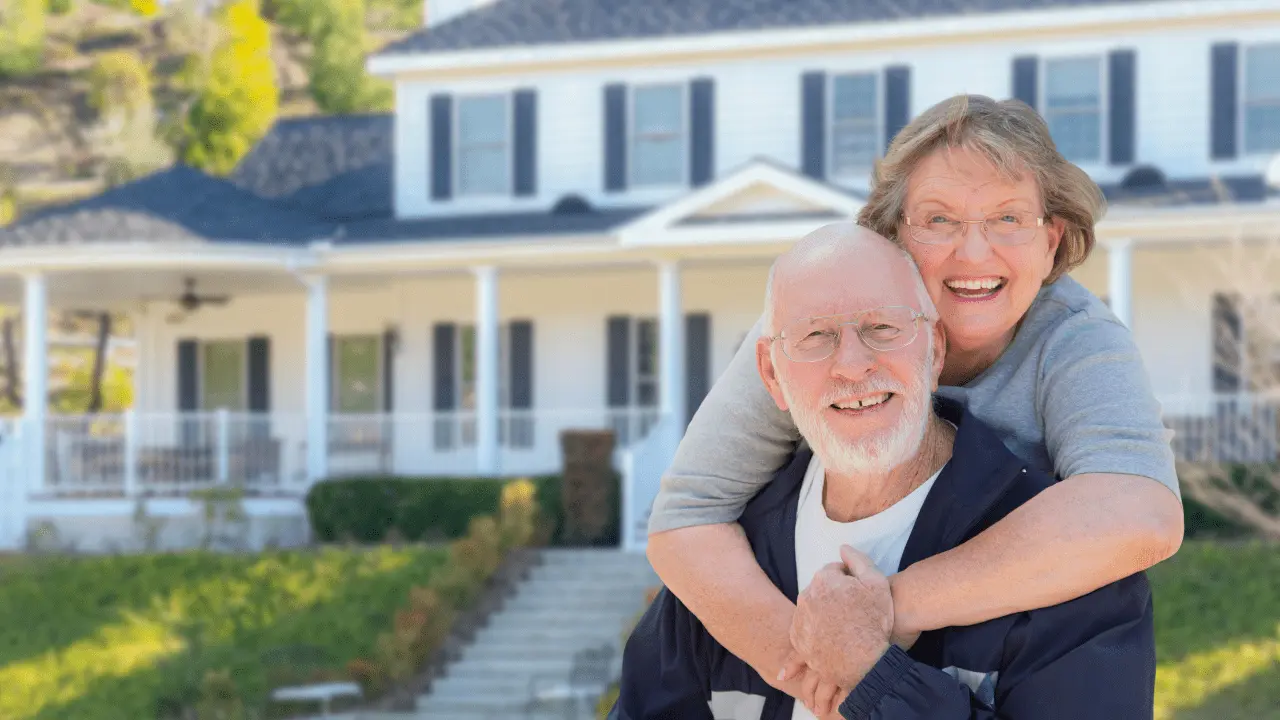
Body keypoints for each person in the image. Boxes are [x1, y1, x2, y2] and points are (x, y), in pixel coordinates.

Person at [644, 94, 1182, 715]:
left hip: (1007, 646)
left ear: (1051, 240)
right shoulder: (811, 325)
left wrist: (884, 611)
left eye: (1008, 219)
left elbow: (1142, 511)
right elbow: (685, 517)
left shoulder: (1076, 337)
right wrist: (808, 671)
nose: (974, 254)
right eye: (940, 220)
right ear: (891, 234)